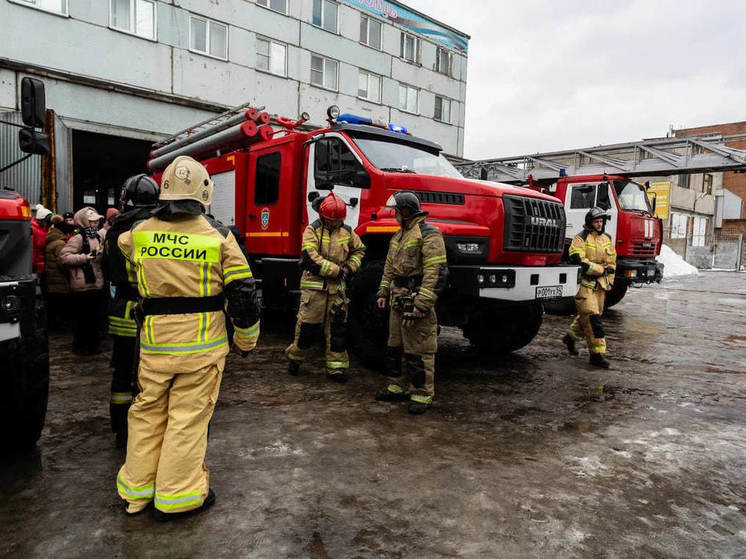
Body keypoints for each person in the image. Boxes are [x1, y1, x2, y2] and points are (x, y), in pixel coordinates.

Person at [116, 156, 260, 520]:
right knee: (187, 419)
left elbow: (122, 256)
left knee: (147, 413)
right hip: (202, 350)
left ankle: (137, 493)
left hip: (153, 346)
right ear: (205, 192)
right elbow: (244, 296)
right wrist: (245, 341)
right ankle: (176, 497)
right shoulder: (220, 238)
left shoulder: (139, 233)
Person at [374, 191, 448, 414]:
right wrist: (382, 292)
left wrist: (422, 303)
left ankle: (421, 394)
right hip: (397, 301)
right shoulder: (398, 237)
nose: (394, 215)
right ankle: (397, 386)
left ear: (406, 212)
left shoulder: (429, 235)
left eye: (396, 211)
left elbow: (436, 272)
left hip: (415, 300)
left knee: (419, 349)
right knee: (394, 346)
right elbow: (389, 269)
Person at [102, 175, 159, 448]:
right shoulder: (158, 228)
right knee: (153, 371)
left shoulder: (114, 230)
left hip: (122, 308)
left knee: (122, 371)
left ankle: (120, 430)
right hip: (152, 310)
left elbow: (106, 270)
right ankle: (147, 429)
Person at [285, 193, 366, 383]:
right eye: (331, 220)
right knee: (307, 328)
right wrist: (337, 271)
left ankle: (335, 369)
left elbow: (359, 250)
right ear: (322, 216)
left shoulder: (347, 231)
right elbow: (310, 257)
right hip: (314, 291)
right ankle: (295, 359)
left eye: (338, 220)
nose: (334, 223)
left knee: (337, 330)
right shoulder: (311, 231)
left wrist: (350, 267)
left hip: (337, 290)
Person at [562, 207, 617, 368]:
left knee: (587, 317)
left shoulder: (607, 238)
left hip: (600, 287)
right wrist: (601, 270)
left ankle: (570, 338)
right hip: (584, 286)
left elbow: (612, 262)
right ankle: (597, 355)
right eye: (596, 221)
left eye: (601, 221)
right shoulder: (580, 238)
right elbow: (579, 261)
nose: (599, 224)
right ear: (589, 223)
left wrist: (610, 281)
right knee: (593, 319)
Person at [60, 207, 106, 355]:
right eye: (92, 221)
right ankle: (81, 347)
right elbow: (64, 256)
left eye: (97, 221)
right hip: (82, 285)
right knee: (82, 319)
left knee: (93, 318)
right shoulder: (78, 237)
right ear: (85, 222)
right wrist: (84, 258)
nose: (95, 224)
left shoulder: (99, 236)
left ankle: (93, 346)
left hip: (96, 283)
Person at [45, 215, 72, 330]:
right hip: (59, 280)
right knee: (61, 305)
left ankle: (54, 325)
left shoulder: (51, 240)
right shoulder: (60, 244)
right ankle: (60, 327)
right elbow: (62, 262)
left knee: (54, 305)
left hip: (51, 279)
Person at [32, 205, 52, 277]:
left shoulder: (46, 229)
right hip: (36, 266)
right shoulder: (33, 230)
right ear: (40, 220)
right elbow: (33, 249)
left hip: (43, 264)